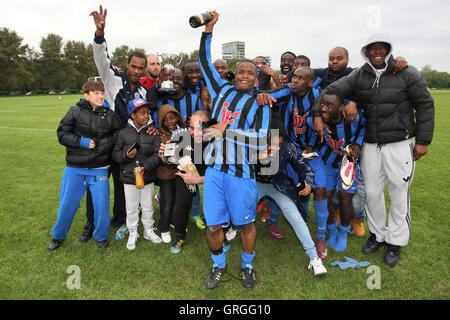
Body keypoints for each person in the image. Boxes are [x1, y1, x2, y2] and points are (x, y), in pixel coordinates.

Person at [311, 32, 435, 266]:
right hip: (370, 144)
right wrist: (318, 115)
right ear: (366, 52)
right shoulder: (360, 75)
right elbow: (330, 92)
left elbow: (425, 105)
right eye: (372, 48)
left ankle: (395, 241)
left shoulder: (407, 72)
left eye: (382, 48)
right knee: (373, 194)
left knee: (399, 194)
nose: (377, 52)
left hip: (400, 142)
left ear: (388, 50)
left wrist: (423, 141)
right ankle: (377, 235)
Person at [198, 11, 271, 289]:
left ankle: (247, 265)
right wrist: (208, 31)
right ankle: (218, 265)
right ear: (233, 73)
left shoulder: (261, 105)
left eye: (250, 72)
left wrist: (226, 130)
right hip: (215, 170)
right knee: (214, 226)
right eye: (240, 70)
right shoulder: (220, 90)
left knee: (244, 225)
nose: (244, 75)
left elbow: (260, 139)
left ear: (255, 79)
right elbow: (204, 61)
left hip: (242, 173)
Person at [81, 6, 148, 243]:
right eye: (134, 66)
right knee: (97, 185)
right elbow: (101, 58)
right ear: (126, 65)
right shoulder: (113, 79)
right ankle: (91, 223)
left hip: (127, 146)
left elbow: (142, 117)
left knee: (123, 185)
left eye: (142, 68)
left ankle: (119, 219)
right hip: (105, 142)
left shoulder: (142, 90)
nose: (137, 71)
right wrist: (100, 33)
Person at [256, 66, 329, 259]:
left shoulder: (320, 96)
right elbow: (265, 94)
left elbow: (338, 98)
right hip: (289, 148)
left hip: (313, 151)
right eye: (293, 76)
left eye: (300, 78)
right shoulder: (287, 91)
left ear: (310, 82)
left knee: (319, 188)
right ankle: (273, 220)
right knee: (283, 186)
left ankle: (320, 237)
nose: (294, 80)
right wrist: (263, 96)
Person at [47, 81, 122, 251]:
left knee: (101, 206)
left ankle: (101, 237)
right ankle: (58, 236)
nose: (100, 96)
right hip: (75, 169)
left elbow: (120, 134)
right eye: (95, 92)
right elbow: (62, 134)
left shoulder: (109, 115)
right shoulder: (74, 111)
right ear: (86, 95)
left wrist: (103, 145)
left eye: (102, 92)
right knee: (67, 205)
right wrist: (82, 142)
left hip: (100, 168)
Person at [255, 116, 327, 276]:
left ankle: (314, 258)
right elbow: (236, 169)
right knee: (240, 211)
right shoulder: (251, 145)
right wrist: (257, 158)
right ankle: (229, 231)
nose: (275, 148)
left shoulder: (288, 147)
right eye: (271, 144)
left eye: (278, 145)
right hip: (255, 185)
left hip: (278, 185)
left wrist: (308, 182)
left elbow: (303, 167)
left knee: (295, 217)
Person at [307, 91, 365, 252]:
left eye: (329, 105)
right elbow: (309, 126)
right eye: (322, 104)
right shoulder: (316, 121)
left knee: (346, 200)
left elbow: (364, 126)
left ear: (341, 108)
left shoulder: (353, 119)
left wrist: (358, 144)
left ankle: (344, 233)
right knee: (326, 197)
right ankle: (332, 230)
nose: (324, 109)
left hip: (348, 164)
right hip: (327, 163)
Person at [112, 98, 162, 250]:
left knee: (147, 207)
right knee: (132, 208)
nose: (146, 116)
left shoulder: (153, 132)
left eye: (147, 113)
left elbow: (157, 154)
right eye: (142, 113)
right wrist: (126, 156)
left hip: (147, 177)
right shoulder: (122, 133)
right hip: (129, 177)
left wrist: (146, 167)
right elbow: (115, 155)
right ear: (132, 115)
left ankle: (148, 230)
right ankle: (133, 232)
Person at [158, 110, 210, 254]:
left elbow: (222, 176)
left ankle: (221, 234)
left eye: (201, 128)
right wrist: (164, 155)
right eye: (193, 128)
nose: (195, 132)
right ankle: (180, 237)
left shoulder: (218, 141)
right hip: (186, 174)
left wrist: (198, 179)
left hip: (210, 176)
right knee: (179, 208)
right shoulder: (182, 135)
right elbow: (168, 160)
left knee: (217, 206)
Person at [156, 104, 187, 244]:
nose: (170, 122)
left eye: (172, 117)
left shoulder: (184, 131)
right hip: (165, 175)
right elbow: (160, 157)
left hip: (180, 173)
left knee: (177, 201)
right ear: (161, 121)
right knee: (167, 202)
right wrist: (163, 155)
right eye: (166, 119)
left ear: (177, 117)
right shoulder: (159, 135)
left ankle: (175, 221)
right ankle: (164, 227)